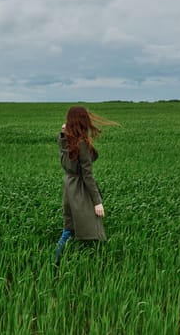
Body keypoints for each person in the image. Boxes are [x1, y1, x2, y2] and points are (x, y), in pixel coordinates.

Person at [54, 106, 119, 267]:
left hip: (69, 186)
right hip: (80, 188)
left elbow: (63, 136)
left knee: (68, 227)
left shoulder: (63, 139)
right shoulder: (81, 143)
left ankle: (56, 260)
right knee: (93, 224)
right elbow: (87, 176)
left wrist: (64, 129)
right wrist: (97, 201)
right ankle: (102, 261)